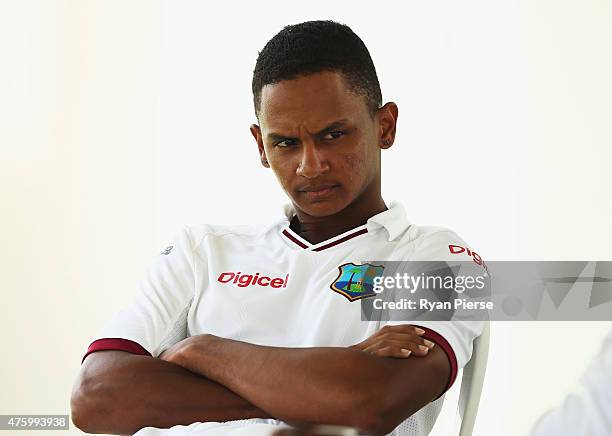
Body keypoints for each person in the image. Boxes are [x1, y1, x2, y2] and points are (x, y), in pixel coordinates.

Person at [70, 20, 485, 436]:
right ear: (260, 146)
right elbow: (96, 397)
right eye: (285, 142)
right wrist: (327, 382)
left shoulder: (440, 258)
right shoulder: (199, 250)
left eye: (333, 134)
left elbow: (372, 402)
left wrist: (205, 352)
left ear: (385, 126)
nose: (310, 165)